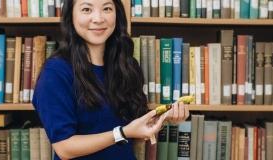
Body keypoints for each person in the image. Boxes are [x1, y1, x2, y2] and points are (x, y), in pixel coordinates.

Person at [32, 0, 189, 159]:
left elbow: (134, 131)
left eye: (107, 8)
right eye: (87, 9)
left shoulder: (126, 65)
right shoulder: (55, 73)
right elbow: (64, 148)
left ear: (117, 14)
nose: (98, 18)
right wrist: (122, 132)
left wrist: (161, 119)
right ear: (70, 16)